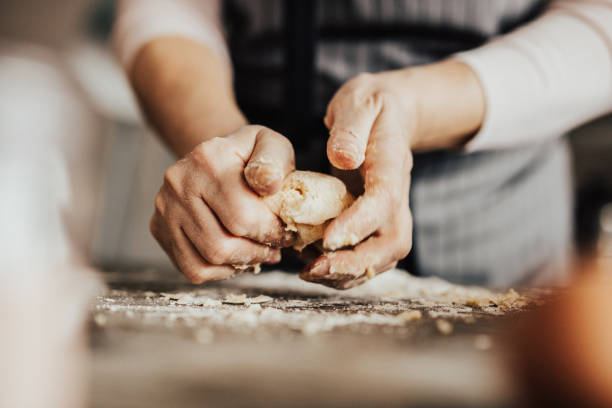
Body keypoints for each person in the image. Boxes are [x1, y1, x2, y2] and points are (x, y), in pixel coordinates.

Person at [113, 0, 612, 289]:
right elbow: (167, 9)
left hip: (501, 233)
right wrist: (219, 141)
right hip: (244, 228)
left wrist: (416, 104)